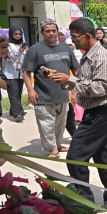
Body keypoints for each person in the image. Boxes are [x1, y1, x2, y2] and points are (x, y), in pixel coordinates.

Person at [48, 18, 107, 211]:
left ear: (87, 35)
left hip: (100, 112)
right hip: (95, 111)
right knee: (105, 157)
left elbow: (103, 87)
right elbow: (84, 83)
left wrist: (71, 80)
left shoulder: (100, 56)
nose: (73, 41)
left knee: (75, 157)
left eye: (75, 37)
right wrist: (63, 80)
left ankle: (85, 202)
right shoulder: (88, 55)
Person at [22, 19, 79, 158]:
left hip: (63, 94)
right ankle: (52, 148)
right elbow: (26, 71)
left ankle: (57, 144)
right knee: (46, 124)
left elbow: (75, 69)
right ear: (42, 32)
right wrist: (30, 90)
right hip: (43, 95)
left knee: (60, 123)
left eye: (54, 30)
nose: (51, 33)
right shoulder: (35, 49)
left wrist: (76, 88)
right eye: (48, 31)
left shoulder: (66, 48)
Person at [5, 26, 28, 121]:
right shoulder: (8, 45)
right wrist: (19, 52)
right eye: (15, 34)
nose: (18, 36)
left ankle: (13, 110)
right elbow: (9, 58)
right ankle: (18, 113)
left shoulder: (23, 45)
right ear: (11, 34)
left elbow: (25, 58)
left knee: (18, 92)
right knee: (13, 92)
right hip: (10, 73)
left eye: (19, 34)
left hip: (20, 72)